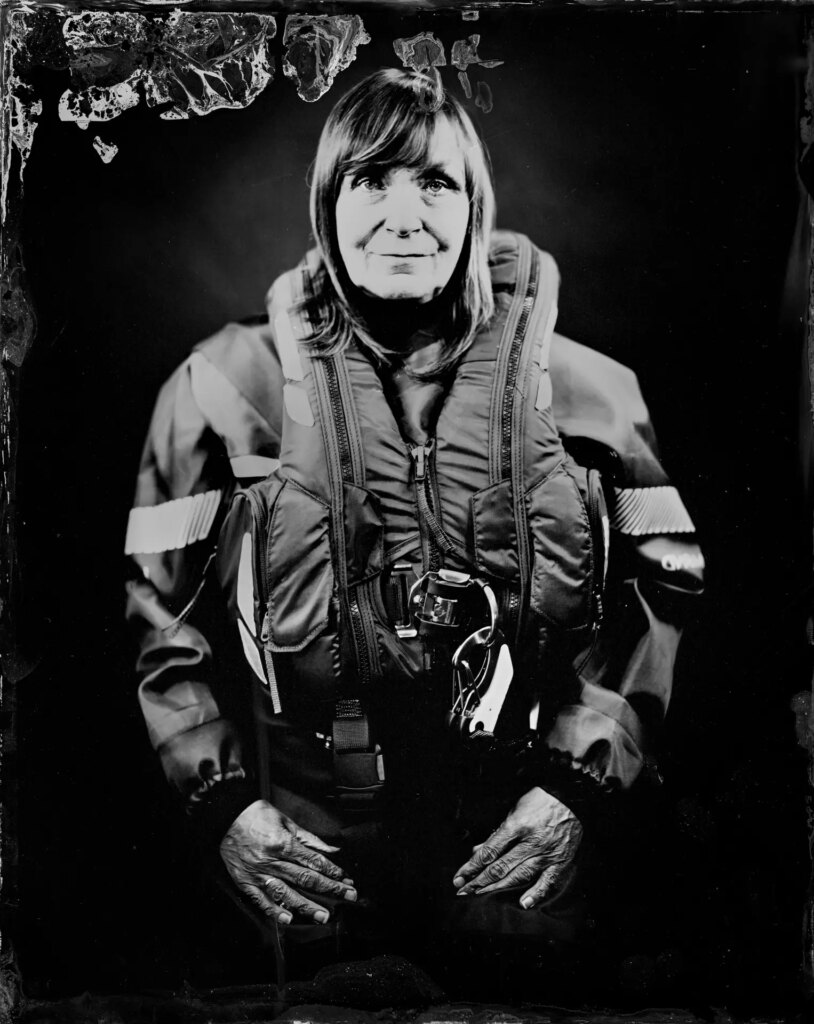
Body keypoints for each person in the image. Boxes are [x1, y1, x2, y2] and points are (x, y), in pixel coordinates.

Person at [125, 68, 704, 991]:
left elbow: (665, 590)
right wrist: (221, 804)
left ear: (475, 205)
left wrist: (578, 788)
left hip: (523, 853)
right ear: (327, 204)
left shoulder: (595, 392)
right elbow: (158, 616)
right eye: (371, 180)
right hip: (306, 861)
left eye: (434, 181)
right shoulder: (220, 388)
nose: (405, 214)